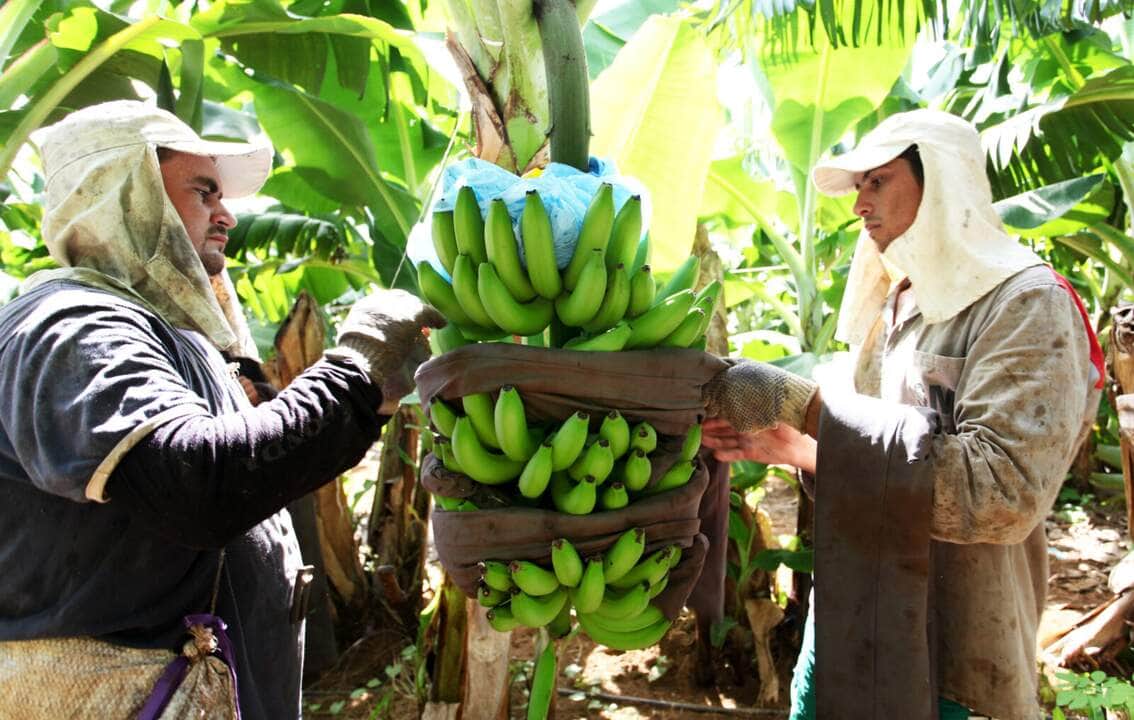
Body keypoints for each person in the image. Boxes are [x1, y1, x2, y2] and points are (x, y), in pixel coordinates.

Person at [0, 100, 444, 719]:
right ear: (128, 194)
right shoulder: (73, 326)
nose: (227, 215)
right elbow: (196, 484)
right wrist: (354, 372)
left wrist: (369, 396)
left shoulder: (154, 332)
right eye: (203, 192)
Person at [702, 110, 1102, 719]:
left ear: (941, 180)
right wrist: (798, 447)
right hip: (855, 611)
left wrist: (807, 407)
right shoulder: (901, 301)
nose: (859, 204)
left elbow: (1000, 493)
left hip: (956, 643)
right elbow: (882, 451)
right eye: (858, 186)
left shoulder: (1026, 305)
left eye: (877, 180)